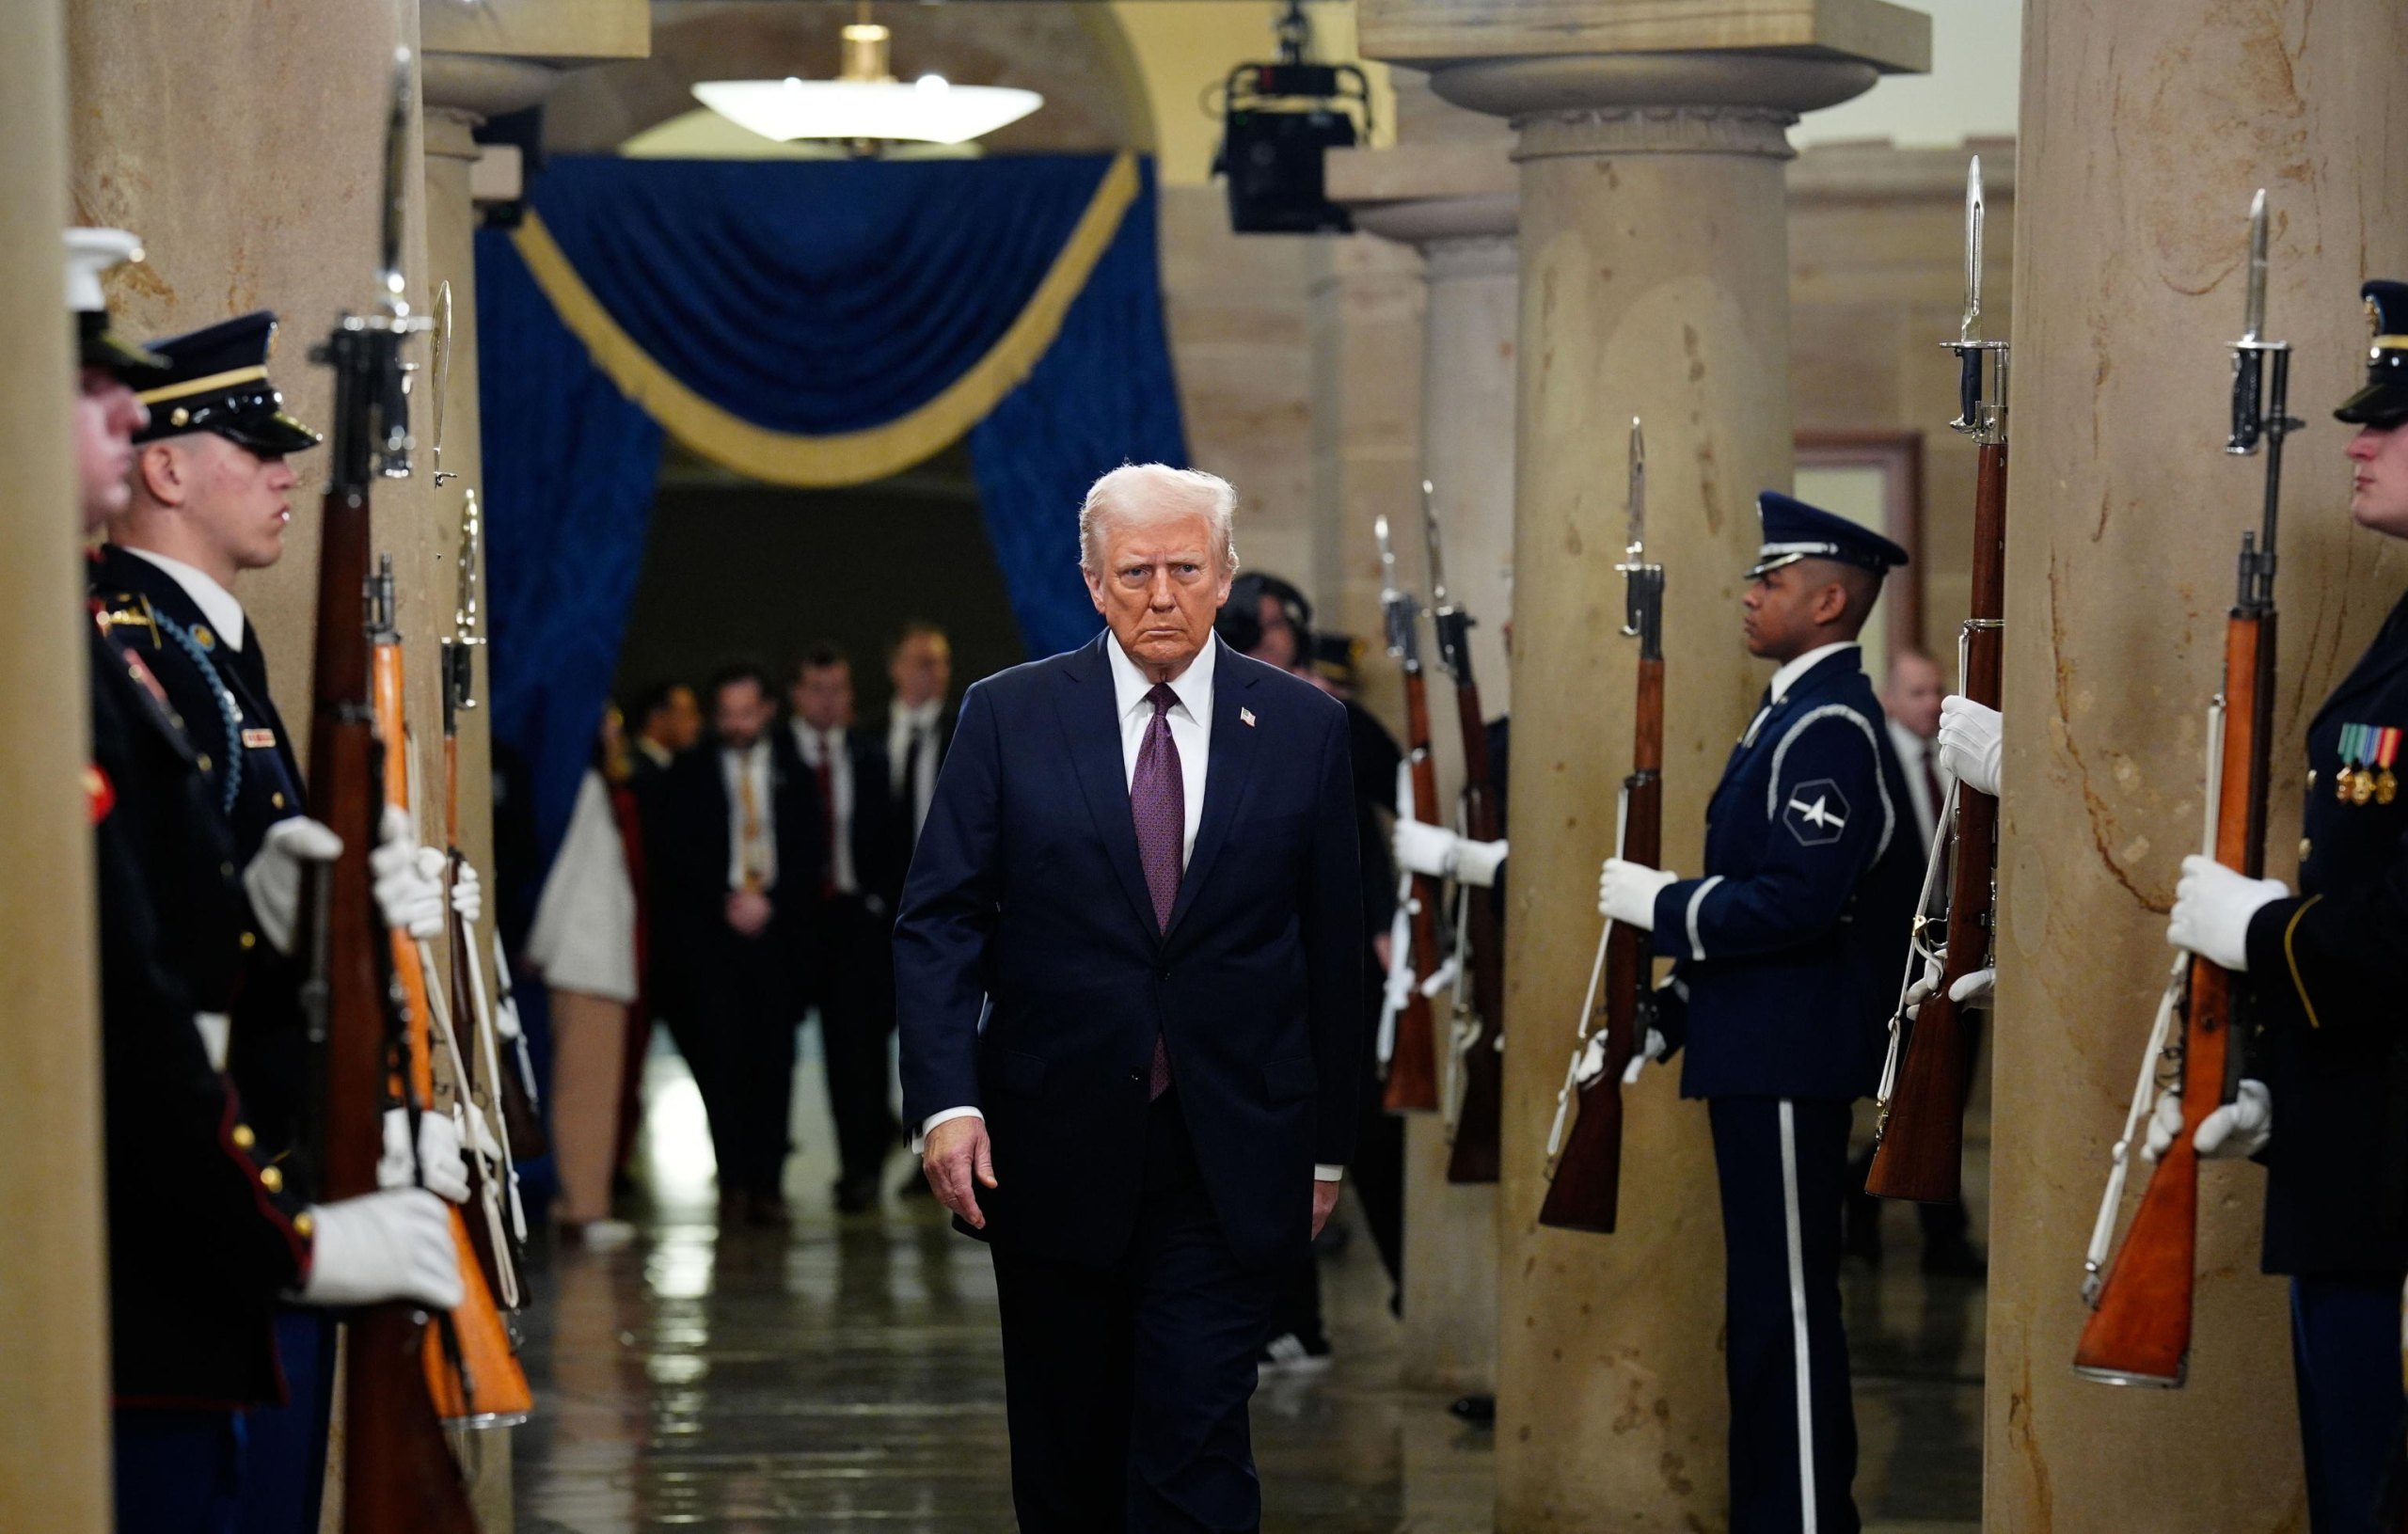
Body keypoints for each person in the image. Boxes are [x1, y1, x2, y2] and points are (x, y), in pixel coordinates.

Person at [68, 230, 461, 1534]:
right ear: (164, 467)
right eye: (85, 390)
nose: (284, 475)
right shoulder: (130, 648)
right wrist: (298, 1213)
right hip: (191, 1215)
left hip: (239, 1188)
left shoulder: (172, 647)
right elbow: (138, 988)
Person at [896, 464, 1362, 1529]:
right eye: (1137, 571)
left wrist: (1328, 1147)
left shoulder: (1300, 727)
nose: (1163, 594)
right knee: (1070, 1457)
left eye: (1186, 569)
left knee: (1194, 1442)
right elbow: (940, 920)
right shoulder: (1008, 716)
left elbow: (1334, 951)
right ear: (1093, 583)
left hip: (1230, 1147)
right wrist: (946, 1101)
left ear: (1225, 575)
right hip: (1050, 1146)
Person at [2131, 278, 2408, 1534]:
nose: (2358, 439)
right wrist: (2274, 1075)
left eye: (2392, 422)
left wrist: (2260, 929)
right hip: (2355, 1144)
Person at [1595, 492, 1920, 1533]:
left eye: (1769, 582)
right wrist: (1675, 1008)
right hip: (1754, 1041)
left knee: (1783, 1311)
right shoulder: (1787, 711)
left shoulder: (1828, 725)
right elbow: (1771, 892)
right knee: (1759, 1313)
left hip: (1791, 1051)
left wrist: (1665, 906)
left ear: (1829, 600)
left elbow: (1799, 899)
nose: (1748, 595)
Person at [1216, 575, 1407, 1373]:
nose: (1284, 632)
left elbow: (1395, 786)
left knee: (1361, 1127)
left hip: (1334, 954)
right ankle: (1287, 1319)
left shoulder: (1315, 711)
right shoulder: (1223, 705)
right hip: (1256, 956)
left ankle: (1394, 1292)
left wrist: (1388, 923)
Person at [654, 661, 820, 1226]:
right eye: (727, 714)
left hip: (778, 938)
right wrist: (723, 901)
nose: (737, 724)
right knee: (722, 1064)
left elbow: (810, 851)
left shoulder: (795, 772)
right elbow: (673, 858)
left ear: (768, 710)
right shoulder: (689, 772)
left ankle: (769, 1184)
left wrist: (771, 901)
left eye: (747, 713)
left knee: (775, 1063)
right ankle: (733, 1183)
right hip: (713, 941)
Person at [1842, 650, 1984, 1277]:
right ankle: (1863, 1215)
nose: (1931, 702)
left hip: (1958, 962)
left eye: (1937, 690)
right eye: (1919, 692)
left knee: (1945, 1092)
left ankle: (1942, 1232)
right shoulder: (1869, 764)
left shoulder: (1962, 765)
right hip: (1888, 964)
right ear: (1891, 699)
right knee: (1892, 1094)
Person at [782, 647, 903, 1214]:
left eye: (838, 689)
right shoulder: (774, 756)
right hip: (792, 921)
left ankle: (861, 1172)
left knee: (858, 1051)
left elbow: (892, 838)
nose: (828, 701)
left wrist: (882, 905)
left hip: (856, 920)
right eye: (816, 688)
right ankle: (757, 1176)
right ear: (796, 695)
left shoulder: (870, 756)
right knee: (772, 1051)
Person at [527, 708, 641, 1246]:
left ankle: (580, 1202)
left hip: (593, 962)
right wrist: (542, 948)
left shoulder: (591, 788)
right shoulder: (587, 790)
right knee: (585, 1091)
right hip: (585, 964)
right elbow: (565, 877)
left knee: (587, 1087)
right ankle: (582, 1207)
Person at [883, 621, 954, 864]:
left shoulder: (965, 731)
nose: (938, 672)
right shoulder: (867, 735)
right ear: (896, 668)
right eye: (926, 663)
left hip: (946, 874)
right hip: (881, 883)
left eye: (943, 662)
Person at [631, 680, 702, 779]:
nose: (696, 722)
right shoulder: (631, 769)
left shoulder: (674, 766)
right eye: (686, 713)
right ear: (656, 718)